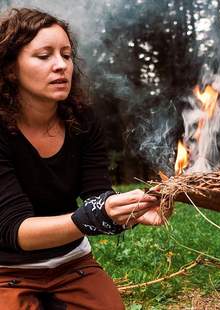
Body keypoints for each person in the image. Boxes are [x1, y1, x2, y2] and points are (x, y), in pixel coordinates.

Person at [0, 8, 169, 310]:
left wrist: (131, 212)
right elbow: (17, 231)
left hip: (71, 263)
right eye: (44, 56)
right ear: (11, 68)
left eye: (66, 55)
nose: (61, 66)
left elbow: (97, 196)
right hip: (7, 268)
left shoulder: (83, 120)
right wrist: (93, 217)